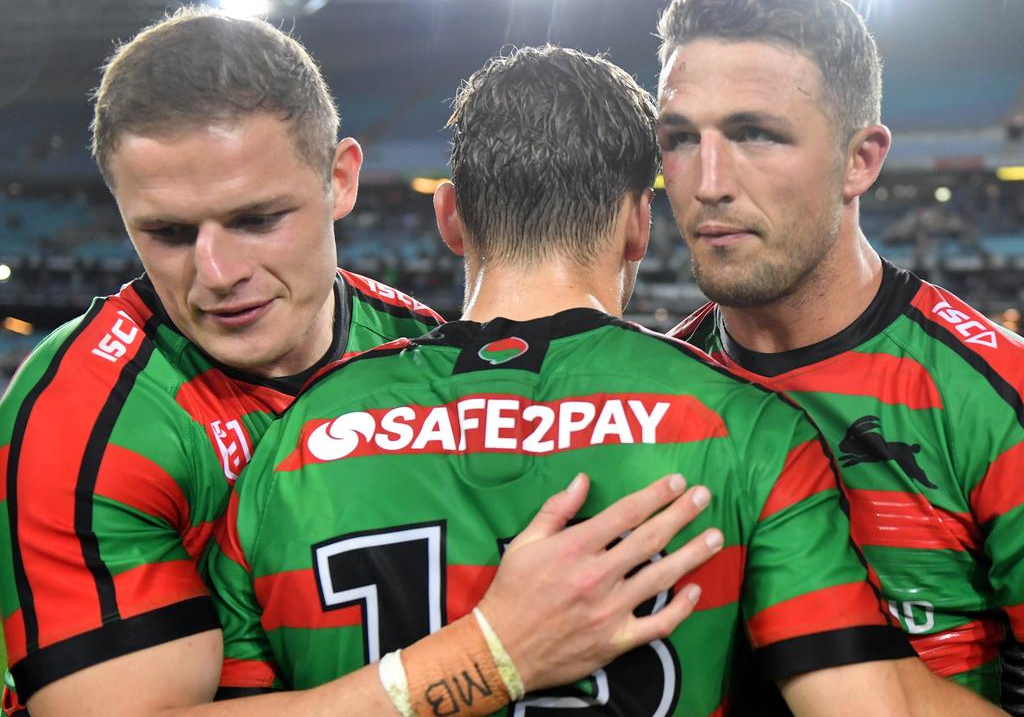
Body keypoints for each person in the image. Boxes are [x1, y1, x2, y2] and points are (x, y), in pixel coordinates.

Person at [203, 44, 1005, 716]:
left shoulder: (294, 441)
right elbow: (869, 706)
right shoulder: (743, 425)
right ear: (636, 223)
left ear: (450, 218)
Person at [0, 8, 719, 717]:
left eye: (257, 219)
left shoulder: (417, 341)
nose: (216, 271)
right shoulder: (79, 416)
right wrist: (495, 653)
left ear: (341, 179)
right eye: (166, 232)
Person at [656, 0, 1024, 713]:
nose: (709, 181)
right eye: (680, 137)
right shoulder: (655, 390)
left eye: (756, 134)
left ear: (862, 160)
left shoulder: (995, 398)